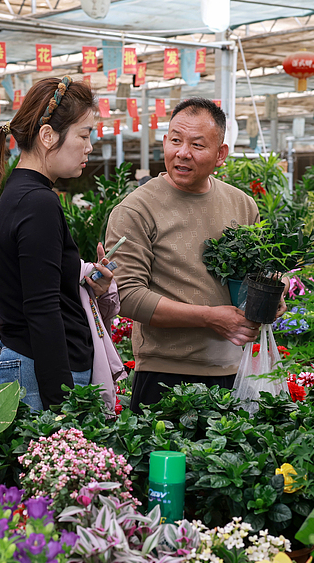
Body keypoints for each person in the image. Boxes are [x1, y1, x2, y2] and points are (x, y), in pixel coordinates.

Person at [104, 97, 284, 412]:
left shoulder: (242, 205)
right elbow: (127, 295)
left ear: (221, 154)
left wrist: (270, 295)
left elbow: (257, 273)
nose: (182, 152)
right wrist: (209, 318)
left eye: (197, 145)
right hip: (165, 375)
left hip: (234, 371)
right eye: (175, 140)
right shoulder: (135, 209)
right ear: (164, 142)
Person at [0, 76, 116, 411]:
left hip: (31, 369)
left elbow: (37, 286)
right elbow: (41, 309)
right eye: (84, 135)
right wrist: (61, 407)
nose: (89, 147)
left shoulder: (21, 192)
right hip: (40, 376)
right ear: (48, 135)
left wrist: (82, 280)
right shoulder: (37, 201)